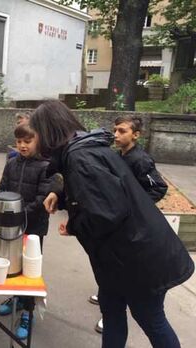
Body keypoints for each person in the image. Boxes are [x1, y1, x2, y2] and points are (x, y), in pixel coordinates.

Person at [32, 100, 194, 348]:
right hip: (120, 260)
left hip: (138, 258)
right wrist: (62, 195)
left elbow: (105, 213)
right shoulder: (86, 148)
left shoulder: (80, 157)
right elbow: (100, 190)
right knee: (112, 309)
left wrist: (74, 225)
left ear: (48, 132)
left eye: (37, 134)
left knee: (150, 318)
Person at [91, 115, 169, 333]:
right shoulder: (118, 156)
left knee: (123, 266)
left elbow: (158, 188)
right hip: (117, 221)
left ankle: (111, 316)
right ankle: (106, 296)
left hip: (131, 223)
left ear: (136, 134)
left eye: (122, 131)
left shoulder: (140, 160)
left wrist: (135, 208)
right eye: (115, 130)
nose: (116, 135)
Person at [0, 124, 60, 339]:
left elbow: (42, 199)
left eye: (27, 141)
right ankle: (16, 298)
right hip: (10, 225)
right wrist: (0, 209)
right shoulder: (12, 163)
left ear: (38, 141)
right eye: (19, 142)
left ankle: (28, 311)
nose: (22, 146)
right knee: (13, 264)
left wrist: (18, 213)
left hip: (34, 227)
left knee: (30, 269)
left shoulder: (46, 166)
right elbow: (2, 188)